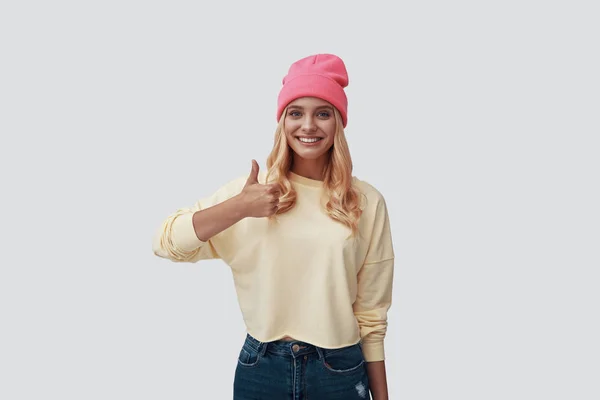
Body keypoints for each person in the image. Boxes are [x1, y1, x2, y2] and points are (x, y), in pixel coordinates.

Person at [152, 53, 395, 400]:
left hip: (339, 371)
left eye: (322, 113)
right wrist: (238, 207)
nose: (308, 126)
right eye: (296, 113)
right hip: (262, 370)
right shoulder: (252, 193)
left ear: (338, 123)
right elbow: (166, 242)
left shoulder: (366, 202)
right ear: (282, 121)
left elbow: (372, 314)